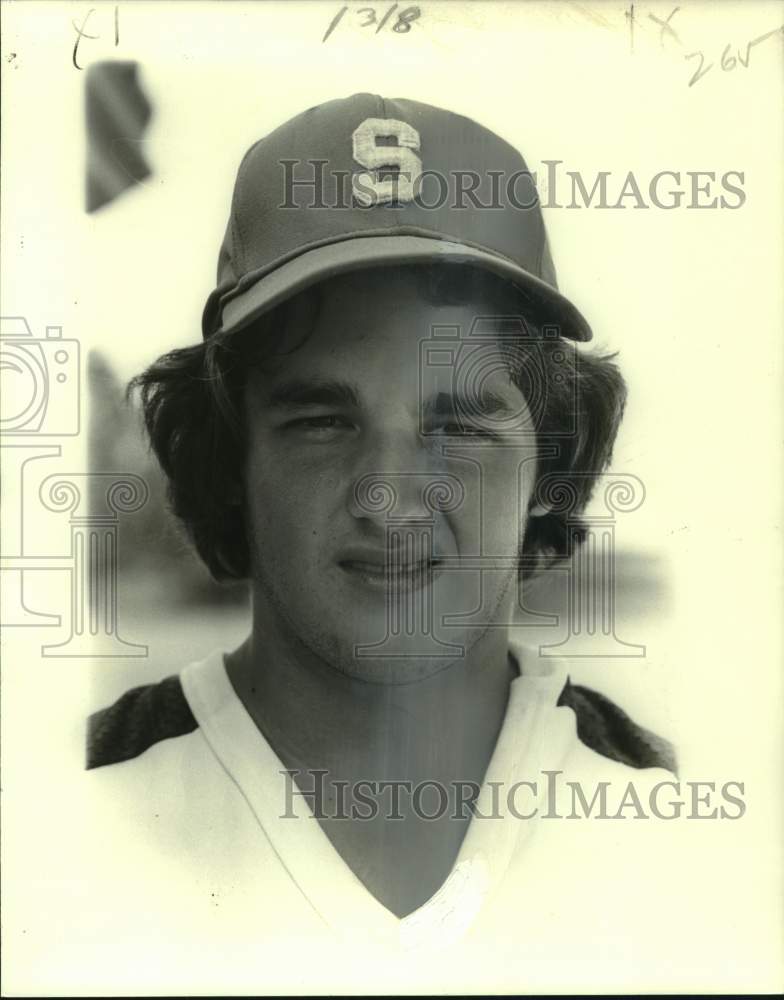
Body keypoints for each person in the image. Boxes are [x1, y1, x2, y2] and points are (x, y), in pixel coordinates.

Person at [84, 94, 676, 992]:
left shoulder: (682, 821)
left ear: (549, 461)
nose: (391, 498)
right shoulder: (68, 811)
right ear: (230, 456)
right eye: (322, 420)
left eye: (461, 426)